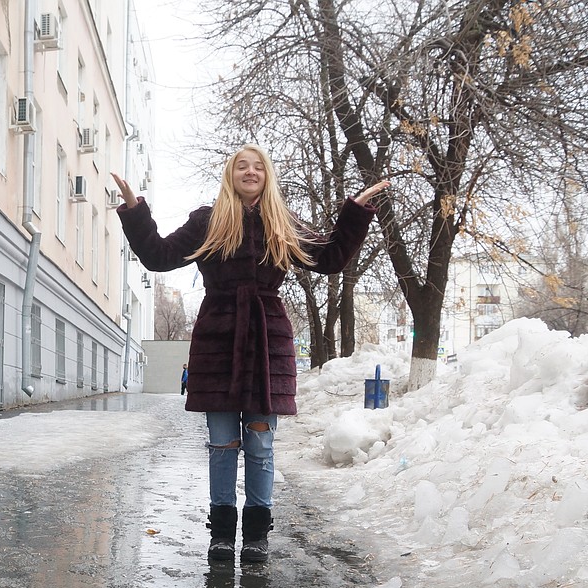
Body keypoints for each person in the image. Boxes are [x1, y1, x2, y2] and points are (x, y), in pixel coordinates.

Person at [113, 145, 388, 563]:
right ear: (230, 174)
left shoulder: (283, 221)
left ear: (267, 175)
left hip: (266, 341)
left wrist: (356, 212)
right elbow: (158, 256)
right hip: (218, 339)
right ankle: (222, 533)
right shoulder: (207, 220)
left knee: (260, 445)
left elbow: (330, 258)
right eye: (242, 165)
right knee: (222, 444)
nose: (250, 171)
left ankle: (257, 534)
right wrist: (135, 210)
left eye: (259, 166)